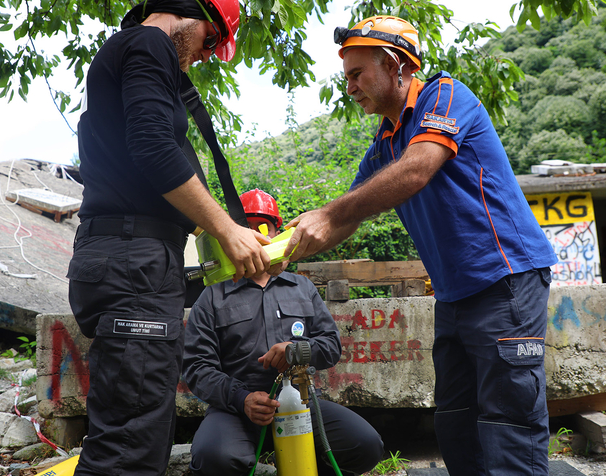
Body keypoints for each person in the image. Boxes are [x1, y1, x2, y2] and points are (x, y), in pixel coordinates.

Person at [283, 16, 558, 476]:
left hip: (506, 281)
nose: (349, 87)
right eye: (346, 76)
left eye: (356, 74)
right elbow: (345, 217)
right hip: (453, 296)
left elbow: (416, 171)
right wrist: (273, 249)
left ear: (393, 65)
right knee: (456, 422)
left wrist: (332, 214)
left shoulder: (445, 96)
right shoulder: (385, 142)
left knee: (508, 420)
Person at [66, 2, 272, 475]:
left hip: (128, 257)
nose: (206, 54)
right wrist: (226, 228)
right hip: (133, 263)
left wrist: (234, 241)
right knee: (129, 447)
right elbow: (155, 149)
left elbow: (149, 170)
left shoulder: (134, 54)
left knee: (133, 432)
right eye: (211, 40)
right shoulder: (149, 42)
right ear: (189, 13)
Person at [183, 189, 384, 476]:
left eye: (264, 226)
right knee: (215, 457)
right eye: (247, 227)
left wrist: (296, 350)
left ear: (278, 231)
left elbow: (330, 345)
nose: (256, 234)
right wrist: (243, 399)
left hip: (300, 402)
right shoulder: (213, 295)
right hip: (236, 409)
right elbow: (198, 368)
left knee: (365, 445)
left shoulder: (302, 288)